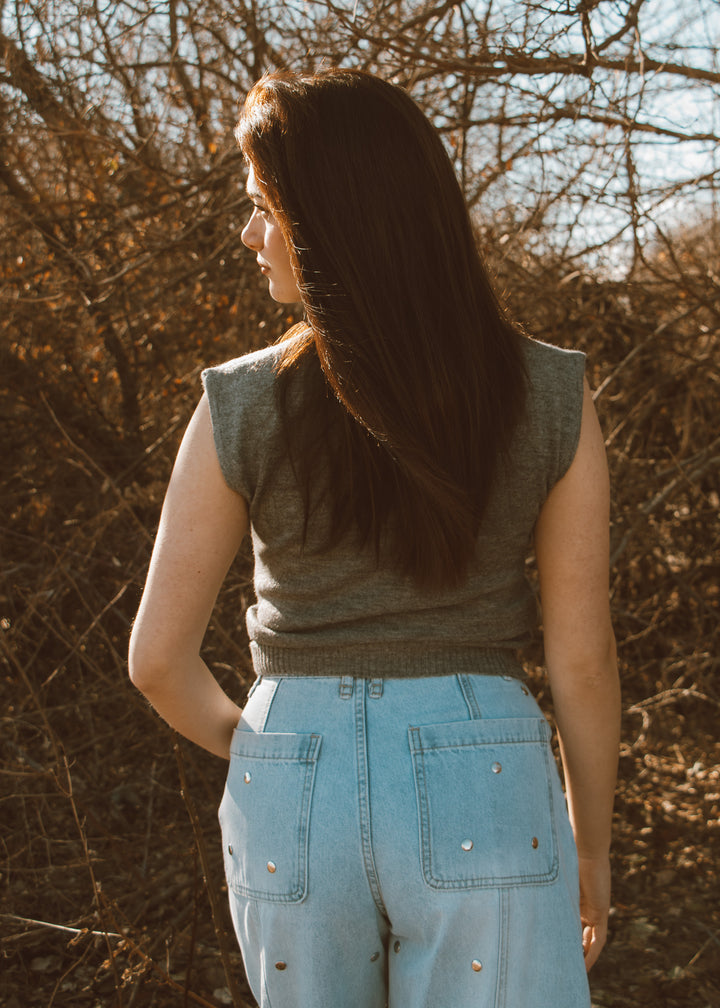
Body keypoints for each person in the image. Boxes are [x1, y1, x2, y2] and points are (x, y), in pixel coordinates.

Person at [129, 68, 620, 1008]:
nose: (248, 234)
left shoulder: (238, 403)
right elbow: (583, 661)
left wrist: (276, 751)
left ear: (332, 220)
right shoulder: (551, 393)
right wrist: (589, 845)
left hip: (292, 780)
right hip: (486, 769)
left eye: (263, 209)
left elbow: (156, 661)